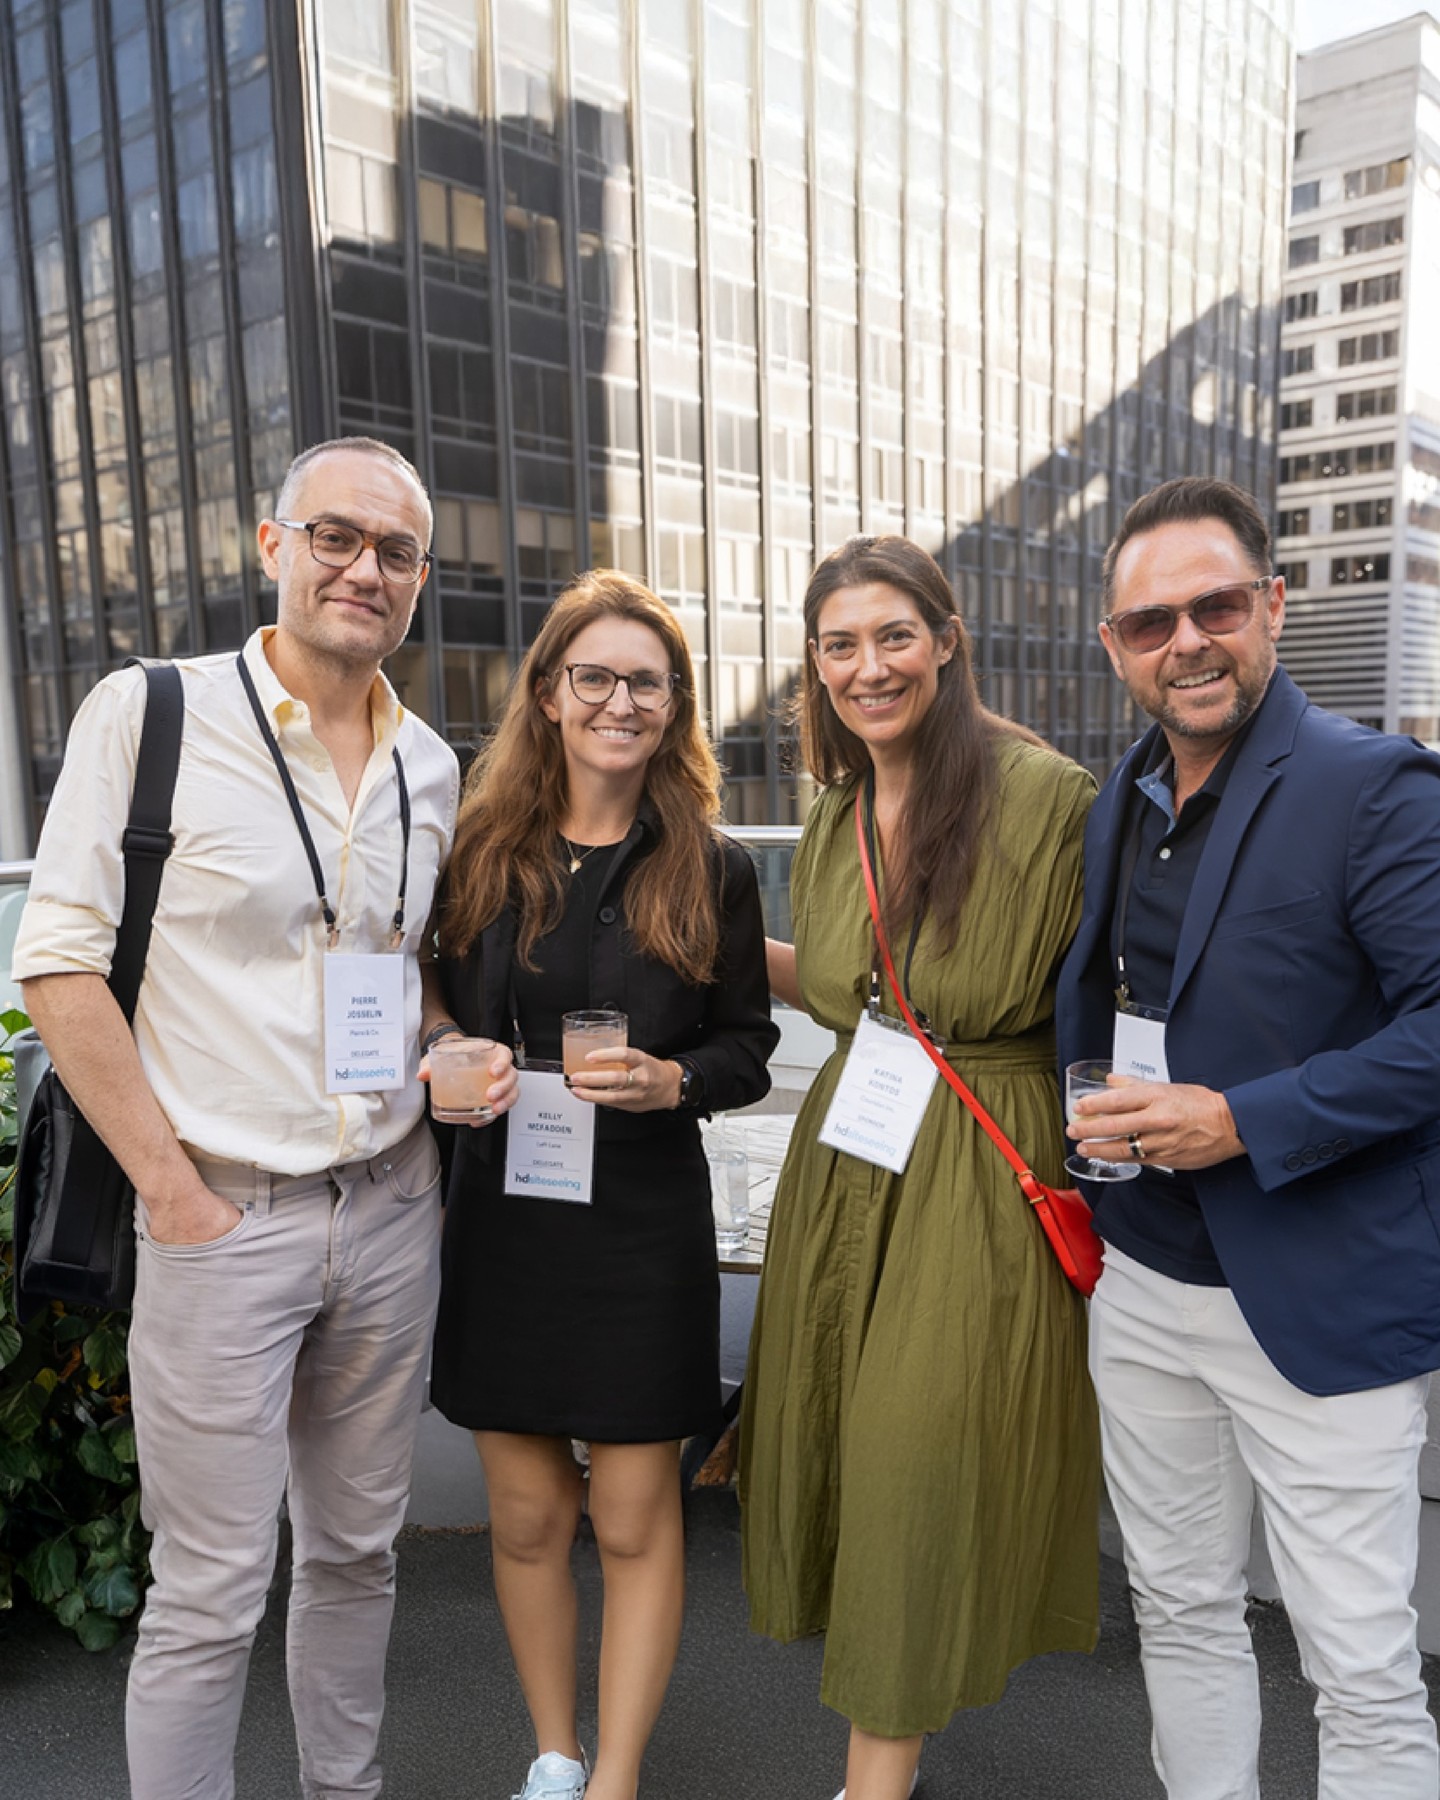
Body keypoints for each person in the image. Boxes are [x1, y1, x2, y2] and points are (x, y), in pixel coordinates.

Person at [12, 436, 517, 1800]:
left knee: (360, 1555)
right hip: (221, 1212)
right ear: (270, 544)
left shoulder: (429, 761)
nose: (364, 568)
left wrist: (450, 1051)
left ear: (420, 580)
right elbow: (60, 963)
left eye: (396, 551)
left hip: (390, 1201)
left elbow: (393, 971)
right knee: (211, 1589)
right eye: (336, 536)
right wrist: (174, 1195)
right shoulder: (153, 711)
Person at [1057, 475, 1440, 1800]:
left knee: (1362, 1668)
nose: (1188, 642)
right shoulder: (1124, 798)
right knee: (1179, 1609)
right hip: (1144, 1279)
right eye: (1150, 622)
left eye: (1215, 606)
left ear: (1271, 606)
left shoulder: (1374, 788)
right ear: (1115, 647)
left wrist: (1242, 1120)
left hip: (1315, 1289)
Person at [739, 535, 1100, 1800]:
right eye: (839, 643)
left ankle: (872, 1784)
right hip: (854, 1147)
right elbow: (852, 990)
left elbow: (1113, 988)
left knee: (913, 1460)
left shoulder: (1048, 796)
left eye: (894, 635)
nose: (867, 665)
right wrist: (710, 933)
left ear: (947, 639)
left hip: (981, 1159)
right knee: (839, 1434)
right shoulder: (838, 809)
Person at [425, 570, 777, 1800]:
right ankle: (555, 1755)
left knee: (633, 1517)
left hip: (639, 1229)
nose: (619, 701)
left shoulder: (713, 866)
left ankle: (616, 1778)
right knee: (526, 1520)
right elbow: (430, 1013)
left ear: (674, 706)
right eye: (595, 676)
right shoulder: (479, 854)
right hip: (506, 1220)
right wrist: (447, 1062)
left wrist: (673, 1083)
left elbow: (748, 1048)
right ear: (549, 693)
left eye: (646, 681)